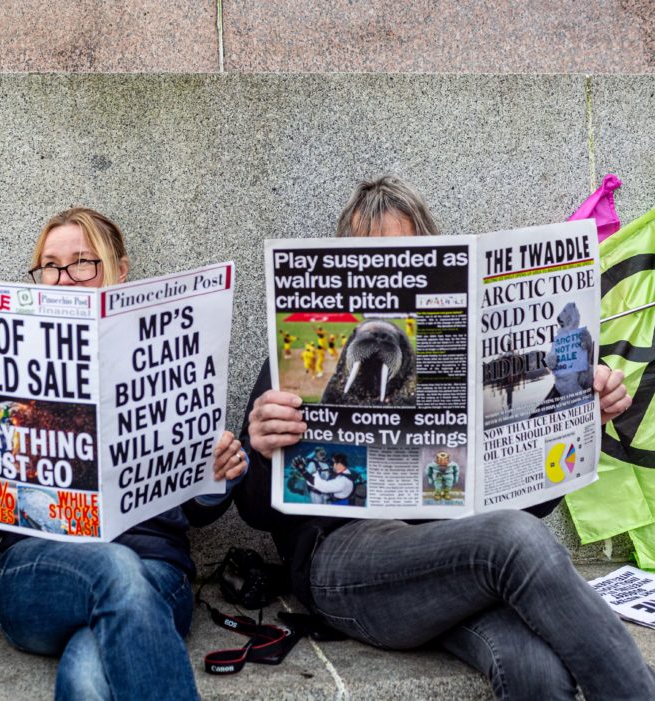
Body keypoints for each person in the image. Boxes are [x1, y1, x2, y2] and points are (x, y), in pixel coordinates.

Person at [235, 175, 655, 700]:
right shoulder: (302, 350)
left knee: (535, 671)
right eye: (369, 257)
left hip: (458, 566)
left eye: (407, 254)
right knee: (511, 540)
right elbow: (255, 514)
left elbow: (535, 506)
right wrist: (260, 447)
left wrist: (577, 416)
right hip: (348, 566)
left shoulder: (464, 348)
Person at [0, 207, 247, 701]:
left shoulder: (163, 355)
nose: (64, 278)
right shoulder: (13, 378)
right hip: (36, 576)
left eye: (82, 263)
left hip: (156, 572)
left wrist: (218, 472)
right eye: (50, 265)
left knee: (91, 670)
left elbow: (201, 512)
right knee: (115, 568)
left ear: (120, 268)